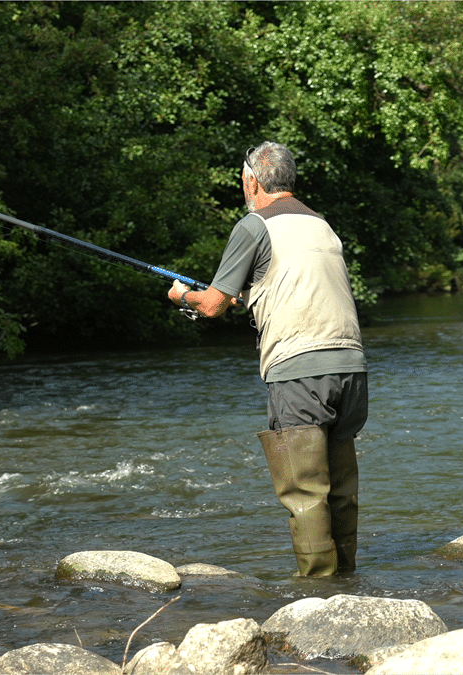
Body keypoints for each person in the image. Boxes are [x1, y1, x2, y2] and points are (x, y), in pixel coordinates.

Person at [167, 141, 368, 576]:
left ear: (251, 180)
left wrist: (182, 294)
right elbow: (298, 284)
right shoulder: (322, 225)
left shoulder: (253, 225)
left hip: (299, 373)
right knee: (341, 490)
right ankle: (349, 583)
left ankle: (317, 593)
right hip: (352, 368)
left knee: (305, 493)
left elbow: (211, 306)